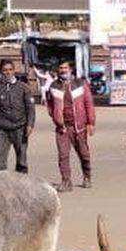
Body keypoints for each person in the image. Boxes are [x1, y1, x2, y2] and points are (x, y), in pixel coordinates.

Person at [45, 59, 95, 191]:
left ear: (70, 69)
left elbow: (89, 104)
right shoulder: (54, 86)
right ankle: (66, 181)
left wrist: (91, 122)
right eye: (60, 68)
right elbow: (49, 104)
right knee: (63, 155)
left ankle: (87, 177)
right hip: (62, 128)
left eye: (65, 68)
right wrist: (55, 117)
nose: (62, 70)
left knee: (84, 153)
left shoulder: (80, 84)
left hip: (79, 126)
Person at [0, 58, 36, 173]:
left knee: (21, 159)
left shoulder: (23, 87)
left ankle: (22, 184)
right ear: (1, 71)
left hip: (20, 128)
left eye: (10, 69)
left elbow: (30, 108)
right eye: (5, 70)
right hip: (1, 129)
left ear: (14, 70)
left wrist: (30, 124)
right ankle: (1, 185)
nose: (8, 72)